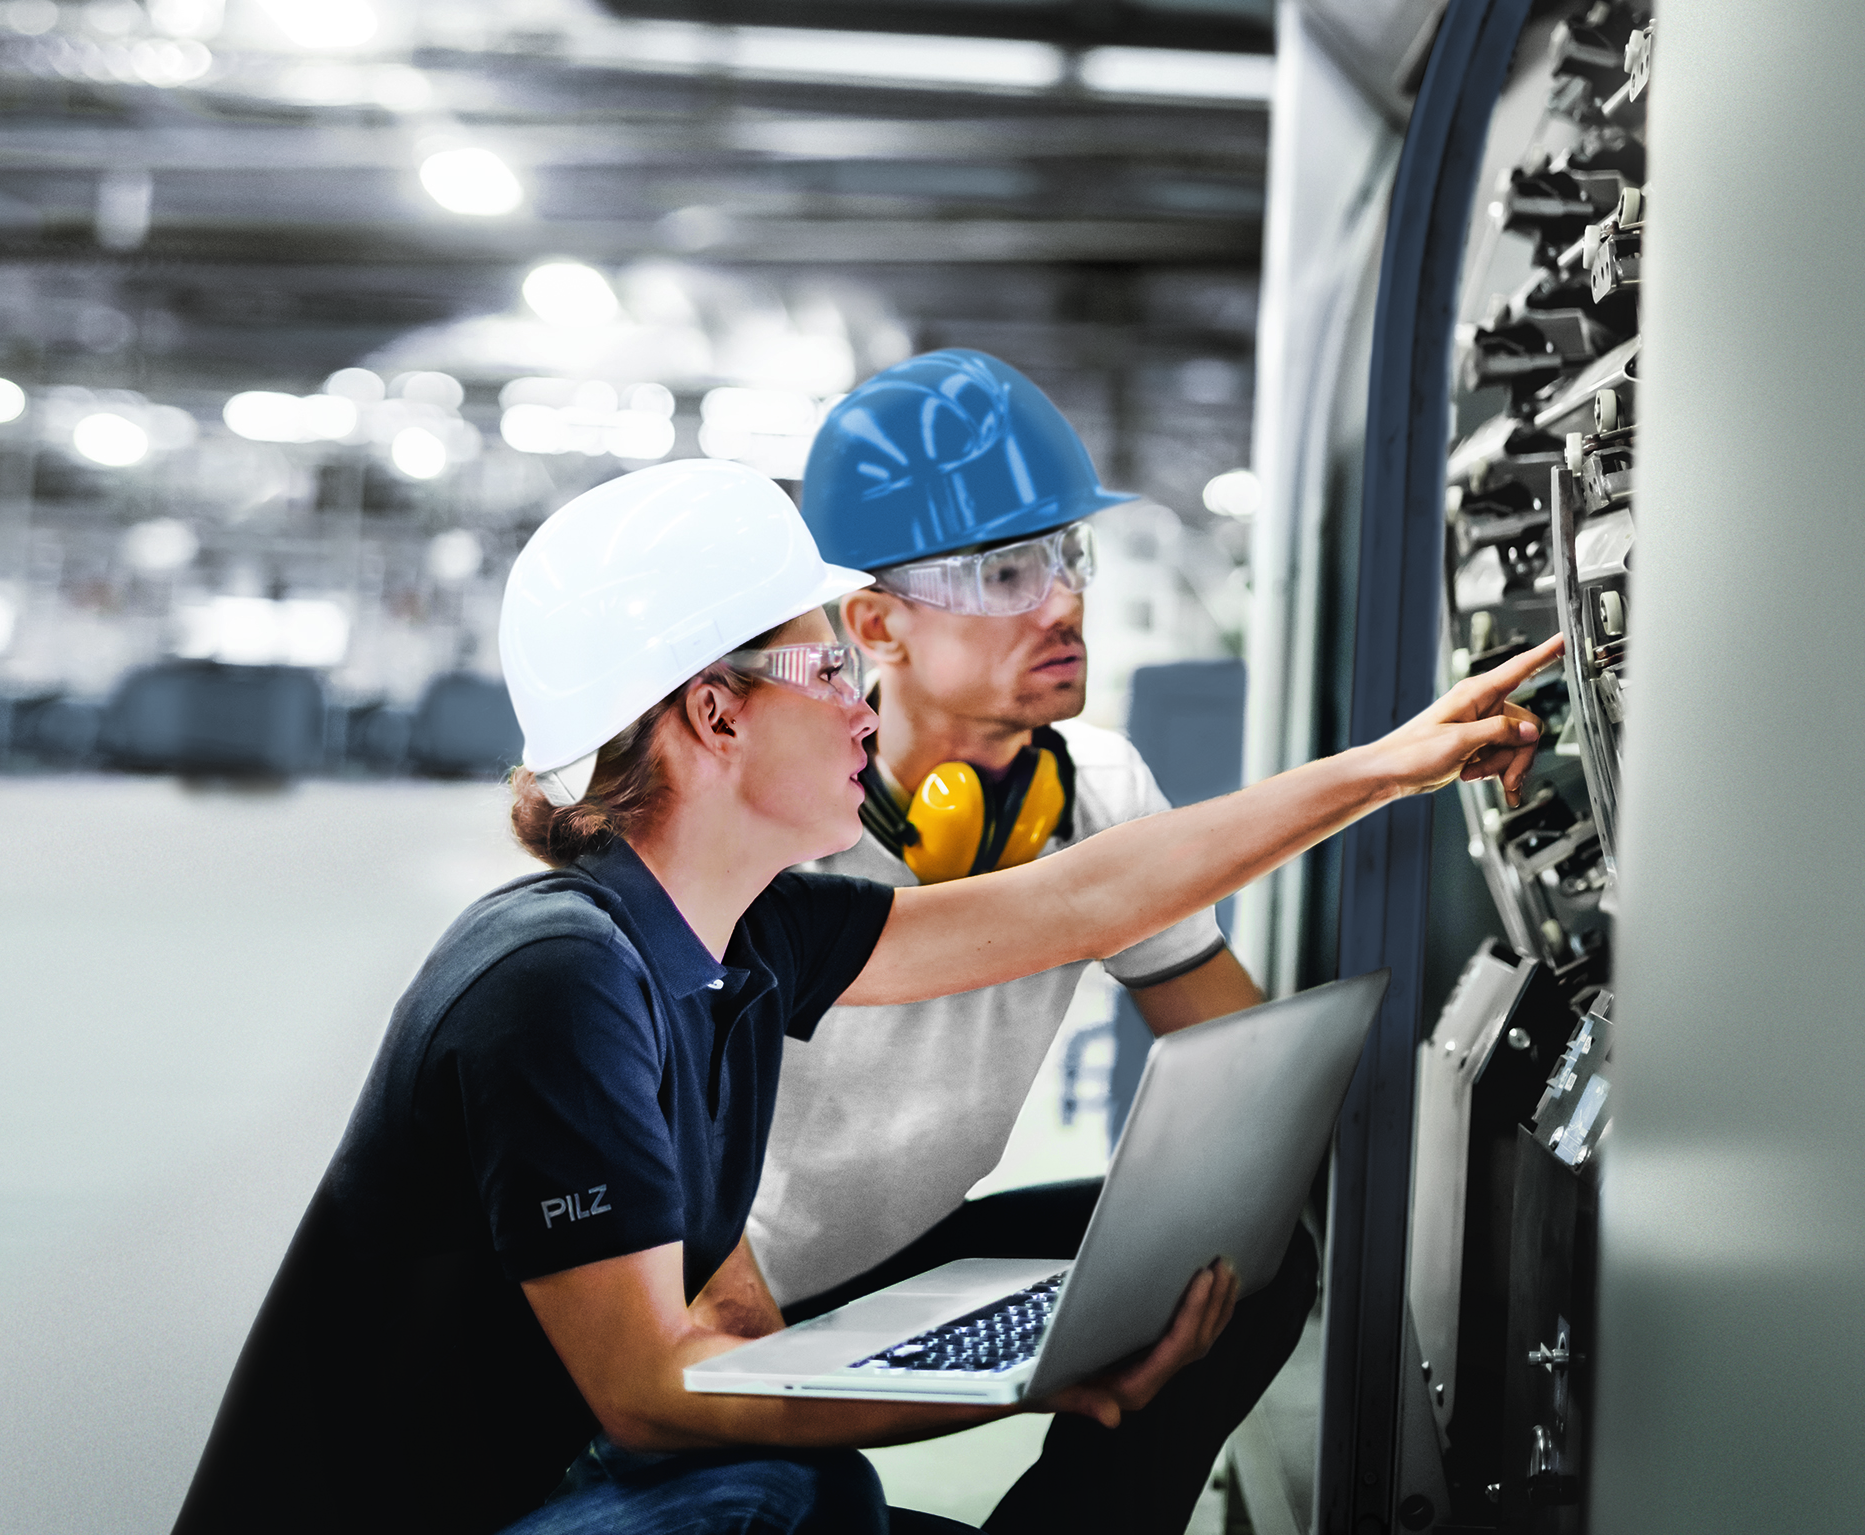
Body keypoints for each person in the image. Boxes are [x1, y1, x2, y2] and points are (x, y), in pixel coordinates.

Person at [172, 456, 1559, 1535]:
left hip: (576, 1477)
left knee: (830, 1490)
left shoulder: (746, 928)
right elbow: (651, 1390)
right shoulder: (553, 977)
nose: (858, 696)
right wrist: (1021, 1377)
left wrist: (1389, 767)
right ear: (711, 715)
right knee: (775, 1498)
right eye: (828, 661)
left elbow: (1077, 900)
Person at [746, 349, 1285, 1532]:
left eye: (1065, 557)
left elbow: (1238, 1060)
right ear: (874, 623)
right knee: (774, 1503)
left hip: (902, 1245)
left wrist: (1223, 1191)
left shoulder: (1094, 786)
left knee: (1246, 1265)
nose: (1062, 601)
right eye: (1003, 571)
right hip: (720, 1294)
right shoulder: (772, 826)